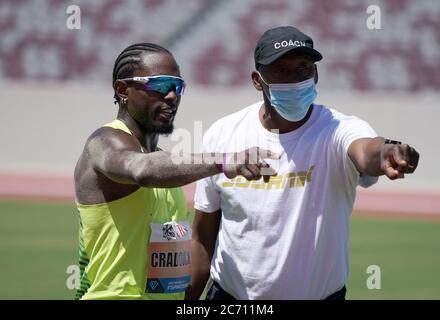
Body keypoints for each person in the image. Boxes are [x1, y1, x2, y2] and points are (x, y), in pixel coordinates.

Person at [186, 26, 420, 300]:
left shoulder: (337, 129)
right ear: (257, 80)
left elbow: (366, 149)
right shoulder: (223, 134)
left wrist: (386, 152)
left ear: (316, 74)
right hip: (230, 298)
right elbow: (202, 239)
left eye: (303, 68)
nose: (295, 80)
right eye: (281, 71)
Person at [73, 43, 278, 300]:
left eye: (177, 86)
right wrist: (225, 161)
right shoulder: (104, 142)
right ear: (123, 89)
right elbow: (141, 170)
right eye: (160, 86)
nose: (172, 96)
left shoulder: (161, 161)